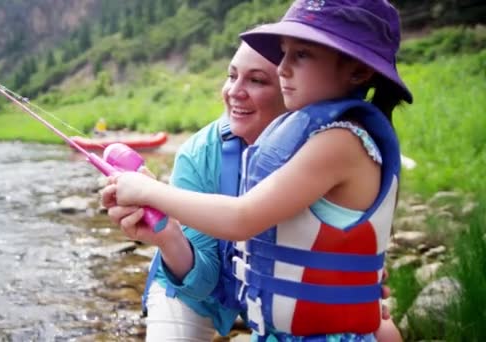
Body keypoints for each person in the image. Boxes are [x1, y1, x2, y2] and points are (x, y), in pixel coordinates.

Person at [105, 0, 410, 340]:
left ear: (357, 71)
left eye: (302, 55)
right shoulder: (209, 152)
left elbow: (242, 218)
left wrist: (149, 191)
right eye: (283, 54)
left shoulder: (336, 143)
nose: (283, 68)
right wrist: (167, 233)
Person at [107, 41, 287, 341]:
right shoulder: (197, 153)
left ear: (292, 89)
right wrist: (169, 236)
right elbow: (203, 282)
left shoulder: (318, 151)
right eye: (231, 76)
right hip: (192, 289)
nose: (234, 91)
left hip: (273, 291)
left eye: (256, 80)